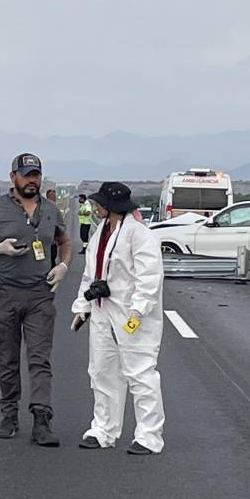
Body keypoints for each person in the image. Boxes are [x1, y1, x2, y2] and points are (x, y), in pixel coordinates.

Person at [0, 153, 72, 447]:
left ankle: (41, 418)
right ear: (13, 176)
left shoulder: (50, 210)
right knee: (7, 356)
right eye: (26, 175)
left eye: (36, 175)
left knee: (40, 359)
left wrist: (63, 266)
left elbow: (64, 241)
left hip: (40, 294)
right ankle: (9, 414)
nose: (32, 180)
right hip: (5, 293)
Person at [71, 182, 166, 455]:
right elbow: (91, 274)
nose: (96, 207)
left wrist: (137, 312)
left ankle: (149, 435)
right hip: (102, 310)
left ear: (110, 207)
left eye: (100, 204)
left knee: (140, 373)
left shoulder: (139, 235)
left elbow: (148, 278)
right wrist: (82, 307)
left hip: (131, 315)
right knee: (101, 372)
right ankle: (103, 430)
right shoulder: (101, 232)